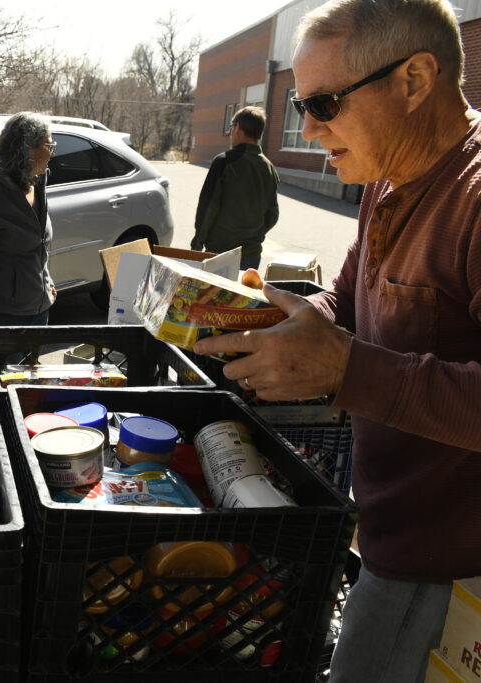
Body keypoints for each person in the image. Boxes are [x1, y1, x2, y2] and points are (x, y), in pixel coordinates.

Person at [193, 1, 481, 681]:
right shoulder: (388, 171)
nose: (309, 125)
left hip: (445, 567)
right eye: (300, 101)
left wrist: (345, 366)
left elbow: (358, 359)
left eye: (325, 102)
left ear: (415, 79)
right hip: (384, 531)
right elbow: (348, 297)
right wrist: (288, 321)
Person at [0, 112, 57, 345]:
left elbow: (38, 245)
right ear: (28, 150)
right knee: (5, 380)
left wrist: (47, 282)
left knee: (31, 379)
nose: (53, 151)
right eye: (49, 144)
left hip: (39, 313)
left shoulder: (37, 185)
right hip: (6, 319)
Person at [191, 106, 280, 271]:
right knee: (240, 297)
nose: (231, 132)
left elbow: (208, 208)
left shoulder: (224, 162)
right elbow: (273, 215)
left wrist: (197, 245)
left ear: (238, 127)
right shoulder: (268, 168)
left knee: (214, 297)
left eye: (231, 127)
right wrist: (253, 234)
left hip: (219, 252)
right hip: (251, 255)